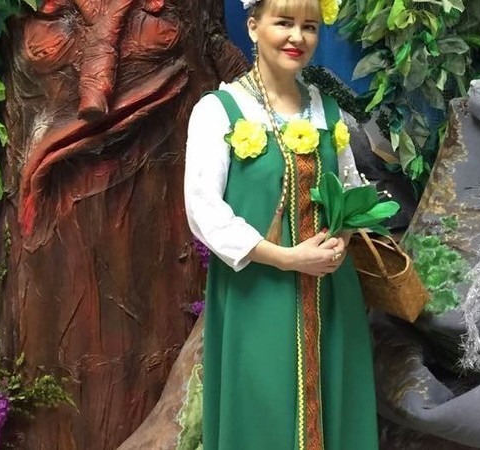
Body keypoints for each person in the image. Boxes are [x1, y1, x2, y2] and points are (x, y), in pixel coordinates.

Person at [183, 0, 379, 447]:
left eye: (309, 27)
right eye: (284, 22)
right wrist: (287, 258)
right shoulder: (219, 111)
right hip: (258, 291)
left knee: (335, 405)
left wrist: (341, 237)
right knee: (262, 408)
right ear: (253, 27)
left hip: (331, 294)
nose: (297, 37)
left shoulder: (326, 110)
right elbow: (202, 208)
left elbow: (351, 191)